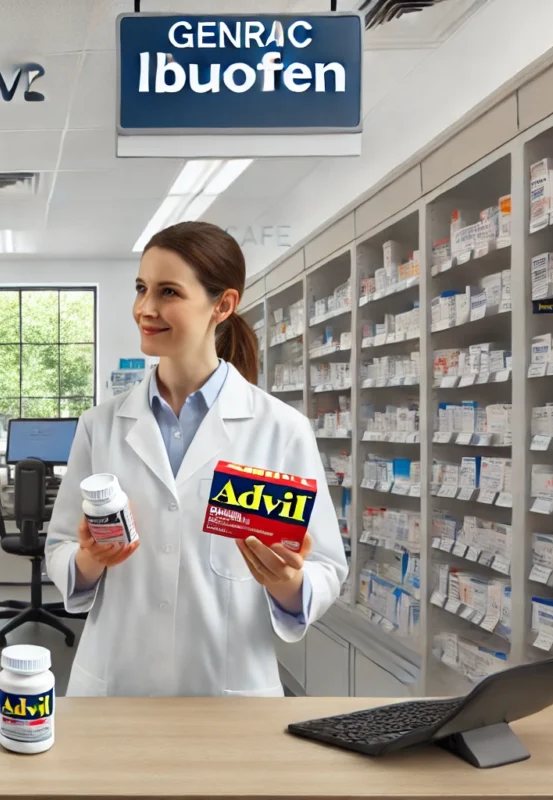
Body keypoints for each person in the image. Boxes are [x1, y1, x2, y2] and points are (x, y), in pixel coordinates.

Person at [44, 221, 348, 698]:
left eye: (168, 292)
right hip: (115, 686)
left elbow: (325, 568)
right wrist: (88, 559)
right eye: (142, 288)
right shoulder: (100, 426)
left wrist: (288, 582)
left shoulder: (281, 430)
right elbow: (60, 547)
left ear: (222, 305)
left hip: (227, 691)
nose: (145, 308)